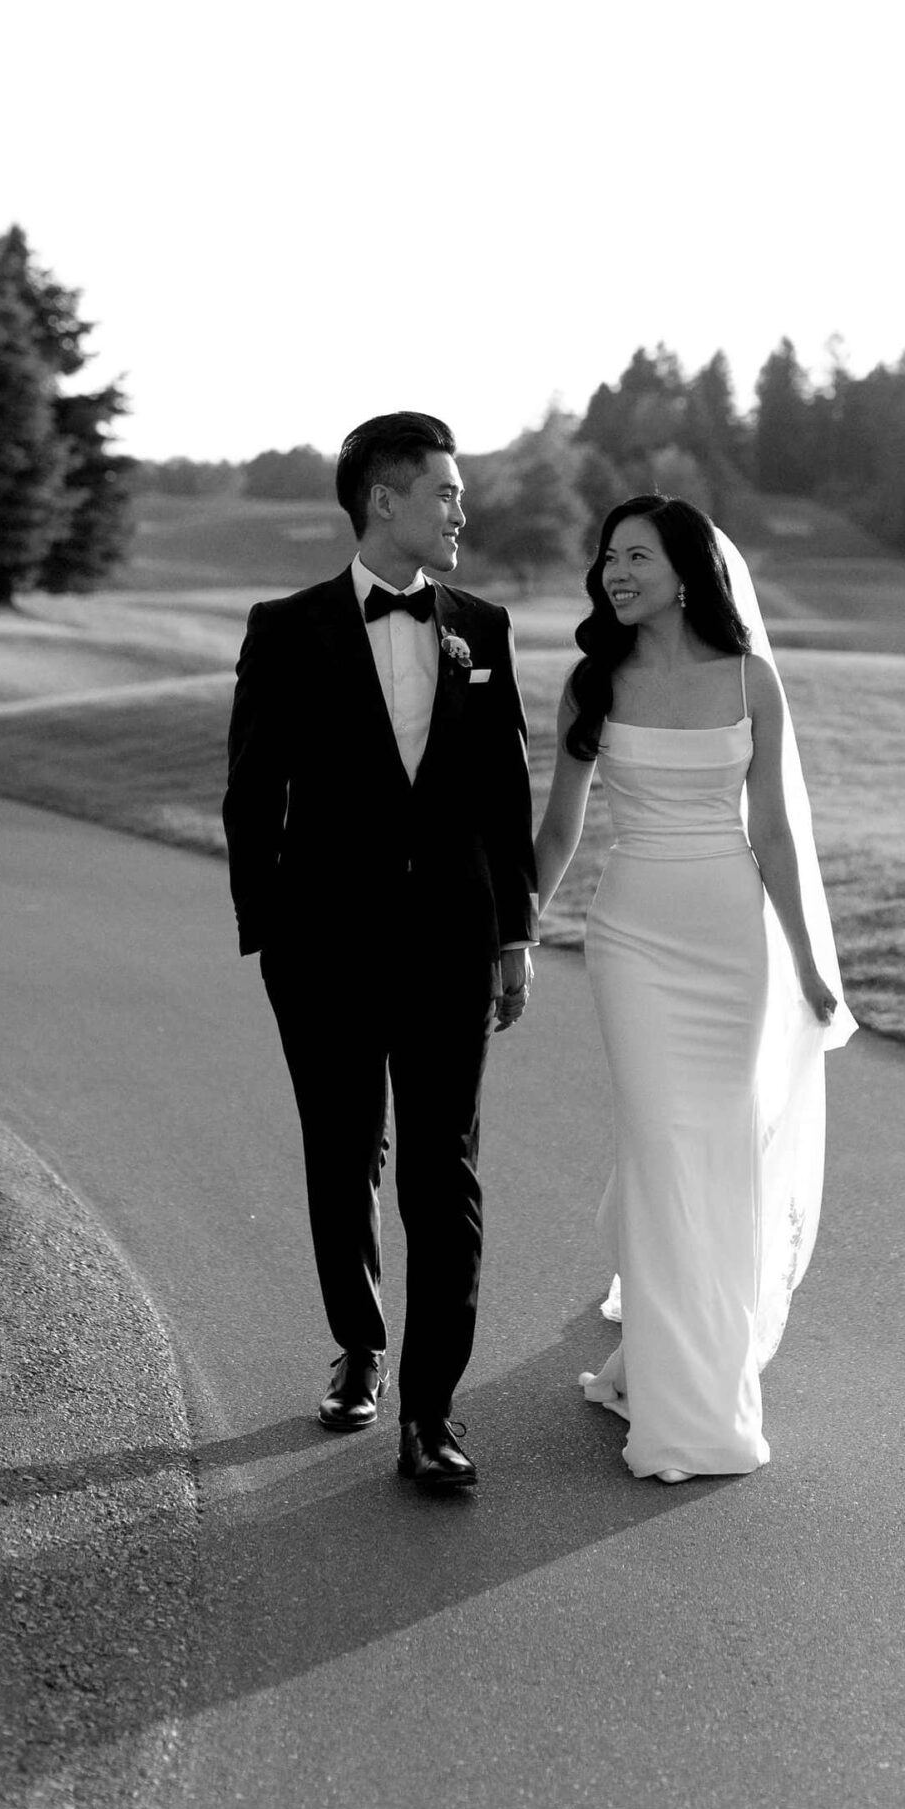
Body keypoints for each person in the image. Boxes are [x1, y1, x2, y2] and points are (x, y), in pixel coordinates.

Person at [222, 411, 538, 1492]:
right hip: (323, 954)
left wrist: (513, 935)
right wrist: (270, 935)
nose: (461, 509)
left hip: (451, 945)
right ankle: (358, 1345)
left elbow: (503, 795)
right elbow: (251, 793)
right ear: (385, 500)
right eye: (445, 491)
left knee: (443, 1172)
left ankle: (430, 1414)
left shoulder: (483, 628)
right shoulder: (286, 626)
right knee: (343, 1153)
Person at [533, 494, 855, 1482]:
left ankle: (692, 1377)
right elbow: (559, 830)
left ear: (685, 570)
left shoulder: (750, 679)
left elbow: (773, 836)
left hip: (731, 943)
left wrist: (808, 965)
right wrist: (514, 930)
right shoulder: (592, 682)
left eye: (633, 555)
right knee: (664, 1148)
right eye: (606, 558)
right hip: (629, 939)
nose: (613, 572)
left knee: (714, 1160)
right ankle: (682, 1411)